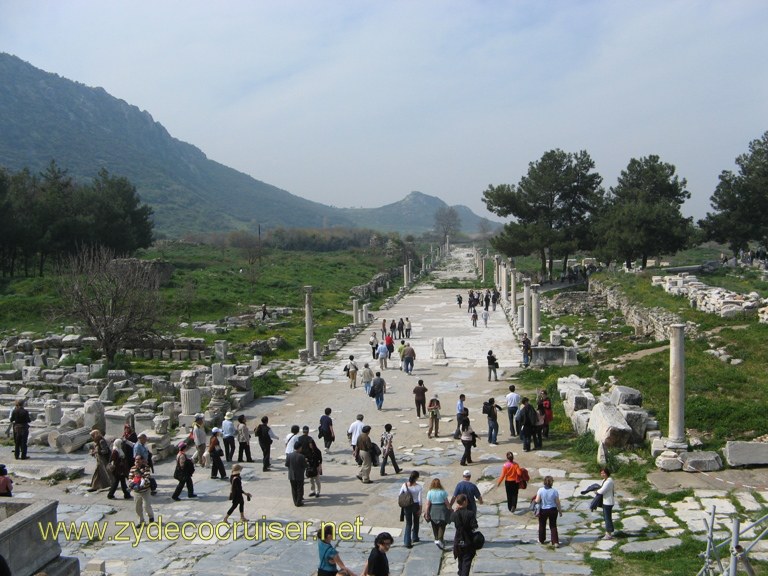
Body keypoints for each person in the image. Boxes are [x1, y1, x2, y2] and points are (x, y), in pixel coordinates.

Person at [451, 494, 478, 576]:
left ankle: (460, 573)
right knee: (467, 561)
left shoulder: (455, 514)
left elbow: (451, 518)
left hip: (458, 539)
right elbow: (474, 526)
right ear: (464, 501)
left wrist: (456, 510)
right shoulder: (470, 513)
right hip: (468, 539)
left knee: (460, 559)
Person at [535, 475, 563, 547]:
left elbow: (537, 501)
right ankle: (555, 542)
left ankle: (541, 540)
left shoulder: (540, 490)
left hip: (543, 510)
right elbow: (557, 502)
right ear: (551, 483)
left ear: (544, 482)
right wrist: (560, 511)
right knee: (553, 525)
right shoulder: (554, 491)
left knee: (542, 525)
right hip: (553, 510)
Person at [424, 478, 450, 549]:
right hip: (442, 509)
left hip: (433, 509)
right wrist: (450, 508)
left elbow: (428, 504)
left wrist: (426, 512)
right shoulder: (443, 492)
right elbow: (446, 502)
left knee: (434, 524)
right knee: (442, 525)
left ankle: (436, 538)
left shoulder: (430, 492)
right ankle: (440, 539)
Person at [399, 471, 422, 548]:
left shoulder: (404, 485)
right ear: (417, 478)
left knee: (408, 524)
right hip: (415, 505)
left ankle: (407, 542)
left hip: (407, 505)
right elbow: (420, 500)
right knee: (416, 522)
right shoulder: (419, 487)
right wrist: (420, 509)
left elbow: (400, 494)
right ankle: (415, 537)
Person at [129, 455, 154, 524]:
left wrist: (141, 483)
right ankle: (141, 521)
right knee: (138, 508)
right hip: (136, 492)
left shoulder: (146, 468)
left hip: (145, 490)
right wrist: (133, 483)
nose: (137, 461)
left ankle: (151, 516)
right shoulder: (132, 468)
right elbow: (130, 478)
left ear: (142, 460)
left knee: (146, 506)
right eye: (136, 459)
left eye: (138, 459)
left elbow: (147, 477)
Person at [286, 440, 307, 506]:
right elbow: (305, 466)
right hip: (299, 475)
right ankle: (299, 502)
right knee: (299, 489)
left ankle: (295, 501)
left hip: (291, 475)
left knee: (293, 489)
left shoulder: (289, 455)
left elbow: (286, 464)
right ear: (300, 448)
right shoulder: (301, 456)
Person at [596, 468, 615, 539]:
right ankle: (608, 531)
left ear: (607, 473)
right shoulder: (604, 480)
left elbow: (602, 490)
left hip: (608, 502)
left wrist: (597, 491)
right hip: (605, 501)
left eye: (604, 473)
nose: (602, 474)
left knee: (607, 518)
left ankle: (608, 534)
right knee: (606, 517)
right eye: (601, 473)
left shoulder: (609, 481)